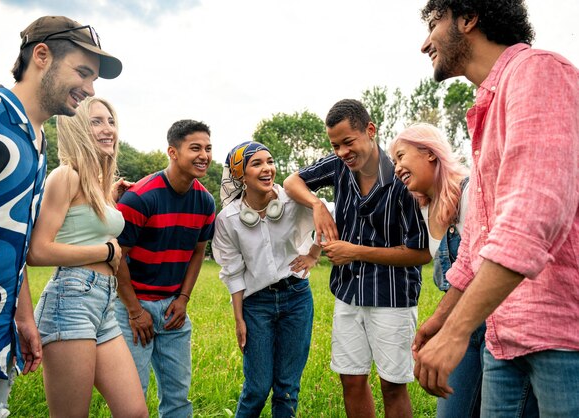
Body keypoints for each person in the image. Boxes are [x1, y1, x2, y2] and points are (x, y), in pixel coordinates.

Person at [413, 1, 579, 416]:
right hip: (502, 338)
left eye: (434, 24)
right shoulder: (488, 104)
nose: (423, 43)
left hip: (560, 339)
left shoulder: (538, 72)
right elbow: (478, 242)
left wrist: (456, 333)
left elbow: (532, 216)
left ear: (468, 18)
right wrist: (442, 316)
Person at [0, 16, 121, 417]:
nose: (90, 89)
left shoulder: (37, 144)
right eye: (82, 72)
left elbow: (11, 243)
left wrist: (24, 319)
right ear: (41, 56)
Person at [283, 99, 430, 418]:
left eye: (348, 142)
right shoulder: (337, 168)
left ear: (370, 130)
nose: (341, 152)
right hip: (348, 294)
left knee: (393, 386)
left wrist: (356, 252)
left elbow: (421, 252)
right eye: (335, 145)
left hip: (392, 298)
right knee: (351, 379)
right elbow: (292, 182)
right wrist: (317, 204)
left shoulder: (402, 178)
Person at [26, 97, 147, 417]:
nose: (108, 129)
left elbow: (83, 224)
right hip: (71, 301)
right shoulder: (65, 176)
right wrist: (105, 251)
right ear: (77, 127)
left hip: (104, 304)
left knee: (135, 412)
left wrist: (110, 197)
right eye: (96, 122)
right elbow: (37, 251)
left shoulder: (98, 184)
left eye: (110, 121)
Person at [114, 119, 216, 417]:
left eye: (208, 148)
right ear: (173, 152)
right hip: (131, 307)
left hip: (173, 309)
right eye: (195, 148)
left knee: (178, 398)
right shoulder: (141, 197)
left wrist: (183, 299)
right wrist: (135, 311)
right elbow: (117, 257)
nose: (204, 155)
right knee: (133, 398)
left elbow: (199, 252)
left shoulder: (205, 202)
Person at [212, 141, 321, 417]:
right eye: (257, 163)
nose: (267, 168)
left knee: (287, 389)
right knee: (257, 389)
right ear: (240, 174)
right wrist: (239, 319)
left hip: (296, 297)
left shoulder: (292, 201)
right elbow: (232, 272)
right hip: (256, 304)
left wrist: (313, 254)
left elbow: (327, 215)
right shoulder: (229, 219)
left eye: (270, 161)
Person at [389, 123, 486, 418]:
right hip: (456, 326)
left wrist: (440, 322)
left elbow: (478, 272)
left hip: (490, 320)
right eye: (393, 162)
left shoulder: (472, 193)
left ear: (429, 153)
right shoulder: (423, 208)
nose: (396, 168)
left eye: (401, 157)